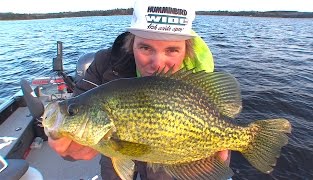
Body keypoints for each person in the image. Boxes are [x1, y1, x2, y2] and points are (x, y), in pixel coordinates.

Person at [48, 0, 230, 179]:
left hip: (172, 156)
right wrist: (67, 146)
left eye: (172, 50)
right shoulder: (105, 64)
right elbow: (79, 111)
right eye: (145, 47)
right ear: (131, 43)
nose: (157, 63)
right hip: (115, 148)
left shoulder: (200, 82)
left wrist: (200, 172)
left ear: (187, 49)